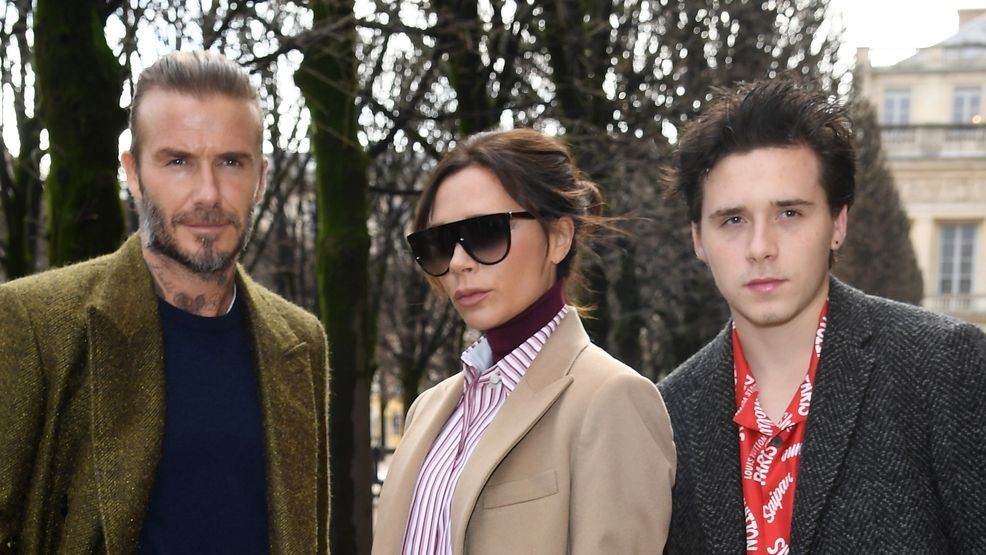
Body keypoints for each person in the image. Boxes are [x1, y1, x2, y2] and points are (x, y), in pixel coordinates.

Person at [0, 51, 330, 553]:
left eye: (230, 162)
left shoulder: (301, 342)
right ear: (133, 173)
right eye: (178, 161)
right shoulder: (34, 324)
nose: (208, 193)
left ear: (260, 177)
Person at [658, 78, 986, 553]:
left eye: (789, 214)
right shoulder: (669, 415)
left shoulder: (944, 367)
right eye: (733, 220)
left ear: (838, 224)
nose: (760, 248)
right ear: (697, 240)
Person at [372, 129, 675, 554]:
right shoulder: (427, 410)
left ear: (558, 238)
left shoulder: (611, 400)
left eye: (485, 233)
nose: (458, 263)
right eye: (439, 243)